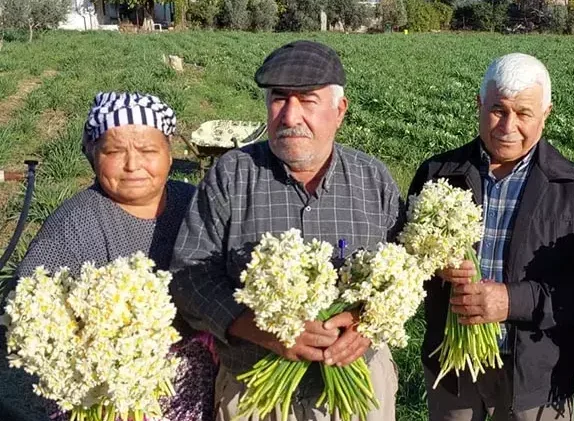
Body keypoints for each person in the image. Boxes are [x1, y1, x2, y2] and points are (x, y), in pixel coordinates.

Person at [169, 40, 402, 421]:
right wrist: (265, 330)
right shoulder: (232, 174)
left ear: (339, 110)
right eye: (279, 98)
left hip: (358, 389)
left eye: (308, 100)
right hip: (255, 393)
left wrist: (368, 323)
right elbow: (189, 276)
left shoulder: (372, 179)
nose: (290, 116)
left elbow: (404, 276)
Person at [407, 53, 574, 421]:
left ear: (546, 114)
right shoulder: (438, 173)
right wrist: (433, 265)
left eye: (524, 113)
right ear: (479, 105)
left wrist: (512, 301)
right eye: (498, 109)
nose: (508, 125)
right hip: (453, 367)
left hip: (536, 371)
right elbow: (406, 254)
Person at [0, 92, 216, 421]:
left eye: (148, 151)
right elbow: (27, 306)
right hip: (103, 389)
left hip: (190, 385)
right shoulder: (75, 222)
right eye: (114, 151)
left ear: (169, 155)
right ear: (91, 154)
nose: (132, 165)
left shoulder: (194, 202)